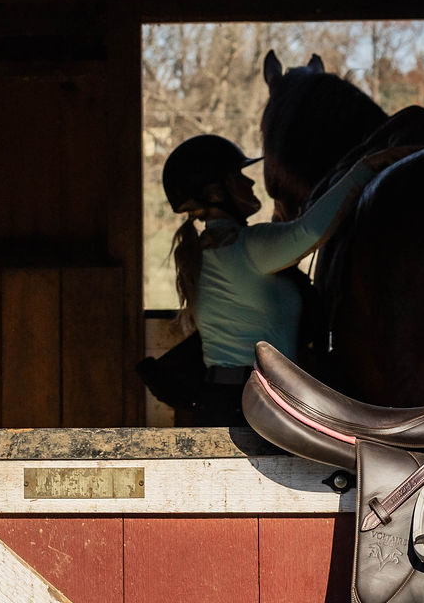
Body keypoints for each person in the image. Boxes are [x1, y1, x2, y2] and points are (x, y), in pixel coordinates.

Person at [161, 133, 398, 426]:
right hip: (258, 403)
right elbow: (310, 232)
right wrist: (366, 167)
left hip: (222, 401)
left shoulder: (207, 250)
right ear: (215, 195)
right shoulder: (250, 246)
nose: (249, 182)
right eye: (237, 176)